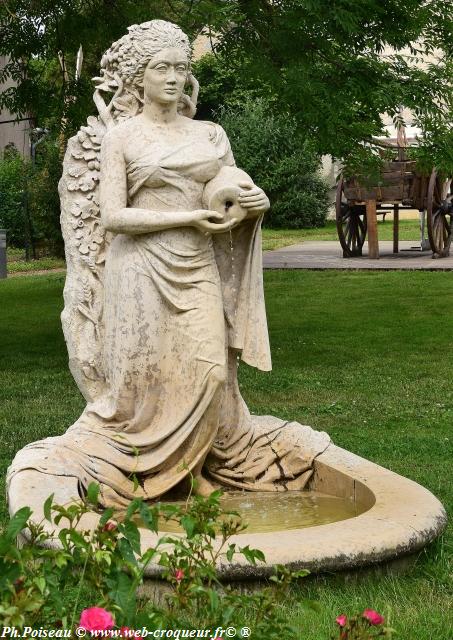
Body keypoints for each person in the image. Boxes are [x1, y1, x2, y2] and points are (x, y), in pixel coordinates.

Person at [8, 21, 329, 511]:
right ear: (140, 77)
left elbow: (230, 190)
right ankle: (168, 474)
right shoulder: (123, 137)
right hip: (138, 267)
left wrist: (253, 203)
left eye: (182, 68)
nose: (174, 78)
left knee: (209, 373)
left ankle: (192, 465)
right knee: (145, 381)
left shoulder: (209, 134)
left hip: (195, 261)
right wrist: (187, 217)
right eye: (162, 68)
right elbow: (114, 216)